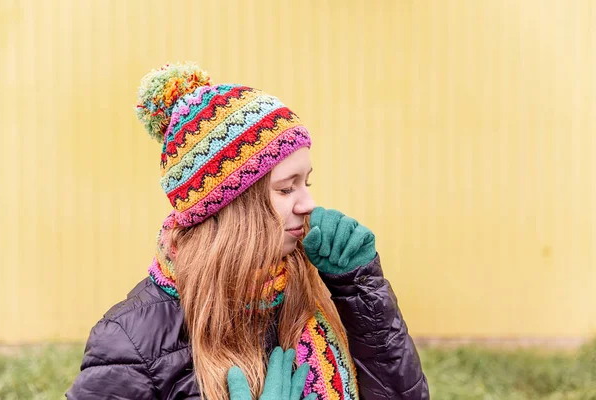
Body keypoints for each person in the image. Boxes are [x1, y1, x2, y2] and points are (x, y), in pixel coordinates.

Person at [66, 62, 429, 400]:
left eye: (307, 182)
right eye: (287, 188)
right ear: (232, 206)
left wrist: (360, 289)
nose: (308, 204)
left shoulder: (312, 288)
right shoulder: (130, 340)